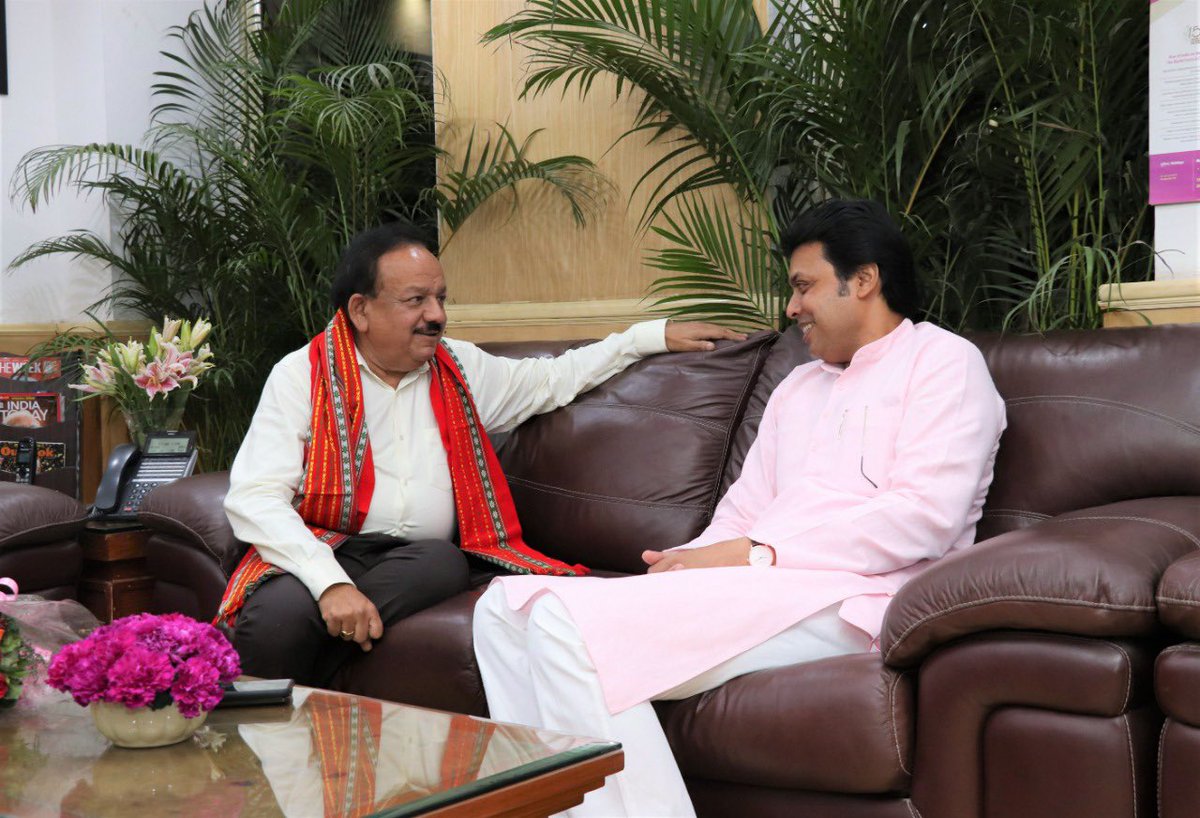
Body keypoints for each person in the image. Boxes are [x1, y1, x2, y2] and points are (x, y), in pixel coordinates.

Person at [472, 199, 1008, 817]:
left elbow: (924, 518)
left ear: (863, 280)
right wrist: (687, 561)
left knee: (564, 626)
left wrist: (757, 555)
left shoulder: (943, 363)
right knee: (502, 610)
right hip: (762, 582)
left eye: (804, 286)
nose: (792, 307)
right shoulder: (799, 386)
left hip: (857, 595)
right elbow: (742, 512)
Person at [216, 221, 742, 687]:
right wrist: (329, 583)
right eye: (416, 300)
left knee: (443, 562)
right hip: (322, 546)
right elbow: (255, 497)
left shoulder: (460, 368)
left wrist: (646, 337)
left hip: (414, 562)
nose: (436, 315)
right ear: (361, 310)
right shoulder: (301, 375)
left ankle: (311, 687)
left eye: (440, 298)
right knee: (280, 616)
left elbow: (553, 379)